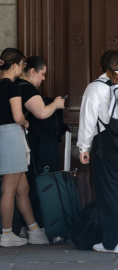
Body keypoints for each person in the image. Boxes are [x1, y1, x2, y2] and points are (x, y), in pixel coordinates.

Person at [77, 50, 118, 254]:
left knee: (110, 194)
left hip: (109, 146)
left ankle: (113, 242)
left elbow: (87, 120)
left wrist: (83, 147)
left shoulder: (95, 87)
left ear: (100, 67)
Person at [0, 48, 49, 247]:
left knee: (22, 187)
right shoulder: (13, 88)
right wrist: (26, 123)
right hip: (11, 135)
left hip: (5, 136)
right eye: (21, 64)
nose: (22, 68)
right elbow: (18, 116)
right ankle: (6, 233)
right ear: (15, 66)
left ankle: (34, 230)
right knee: (10, 189)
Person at [15, 56, 66, 229]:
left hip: (22, 141)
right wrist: (57, 104)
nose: (43, 78)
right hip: (31, 142)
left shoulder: (16, 87)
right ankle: (34, 225)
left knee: (21, 187)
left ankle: (26, 226)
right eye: (42, 74)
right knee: (29, 185)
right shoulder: (27, 88)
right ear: (32, 71)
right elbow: (42, 113)